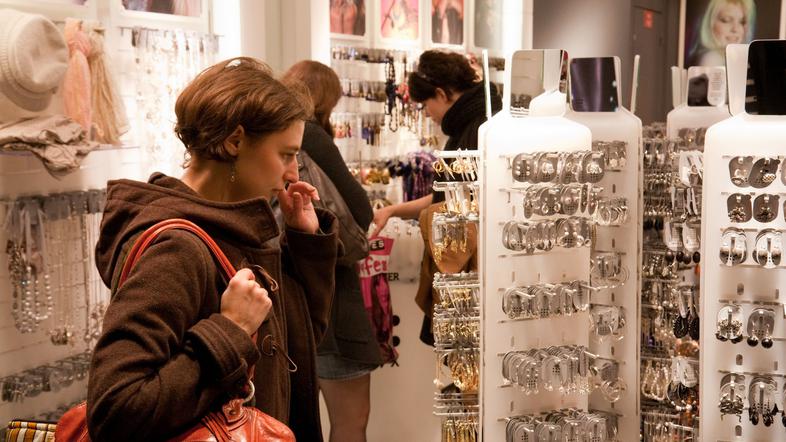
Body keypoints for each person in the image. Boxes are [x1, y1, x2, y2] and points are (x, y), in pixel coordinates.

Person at [86, 57, 339, 441]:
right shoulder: (178, 249)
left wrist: (306, 244)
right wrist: (230, 330)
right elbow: (115, 410)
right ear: (235, 142)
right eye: (286, 155)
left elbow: (294, 352)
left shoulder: (232, 230)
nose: (293, 173)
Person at [370, 50, 502, 344]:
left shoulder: (478, 130)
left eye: (426, 104)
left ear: (442, 94)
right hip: (462, 266)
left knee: (464, 356)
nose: (427, 113)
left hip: (467, 273)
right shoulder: (472, 124)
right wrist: (393, 211)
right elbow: (443, 195)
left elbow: (460, 206)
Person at [283, 60, 382, 442]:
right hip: (330, 300)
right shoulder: (309, 135)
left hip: (290, 301)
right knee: (351, 420)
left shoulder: (274, 136)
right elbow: (360, 210)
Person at [688, 0, 755, 66]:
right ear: (710, 24)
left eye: (742, 22)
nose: (735, 29)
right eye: (726, 20)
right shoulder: (711, 58)